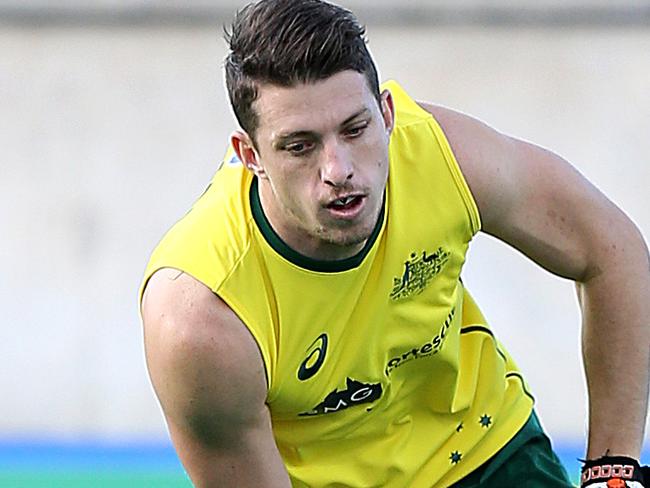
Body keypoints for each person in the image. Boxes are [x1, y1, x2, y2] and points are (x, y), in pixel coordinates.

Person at [139, 1, 650, 486]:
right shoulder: (199, 316)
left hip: (487, 453)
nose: (339, 170)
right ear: (249, 154)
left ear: (386, 114)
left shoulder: (442, 155)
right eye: (299, 146)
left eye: (355, 128)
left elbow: (613, 252)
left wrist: (614, 472)